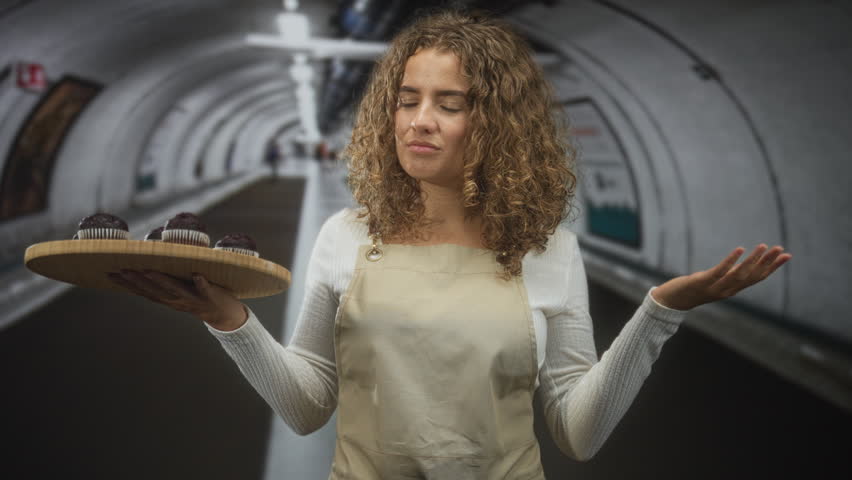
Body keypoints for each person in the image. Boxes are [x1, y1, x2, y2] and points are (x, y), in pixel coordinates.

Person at [110, 9, 791, 479]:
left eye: (449, 103)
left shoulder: (547, 249)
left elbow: (578, 435)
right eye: (407, 100)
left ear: (493, 121)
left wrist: (660, 312)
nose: (419, 122)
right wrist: (227, 320)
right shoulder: (346, 236)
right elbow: (307, 405)